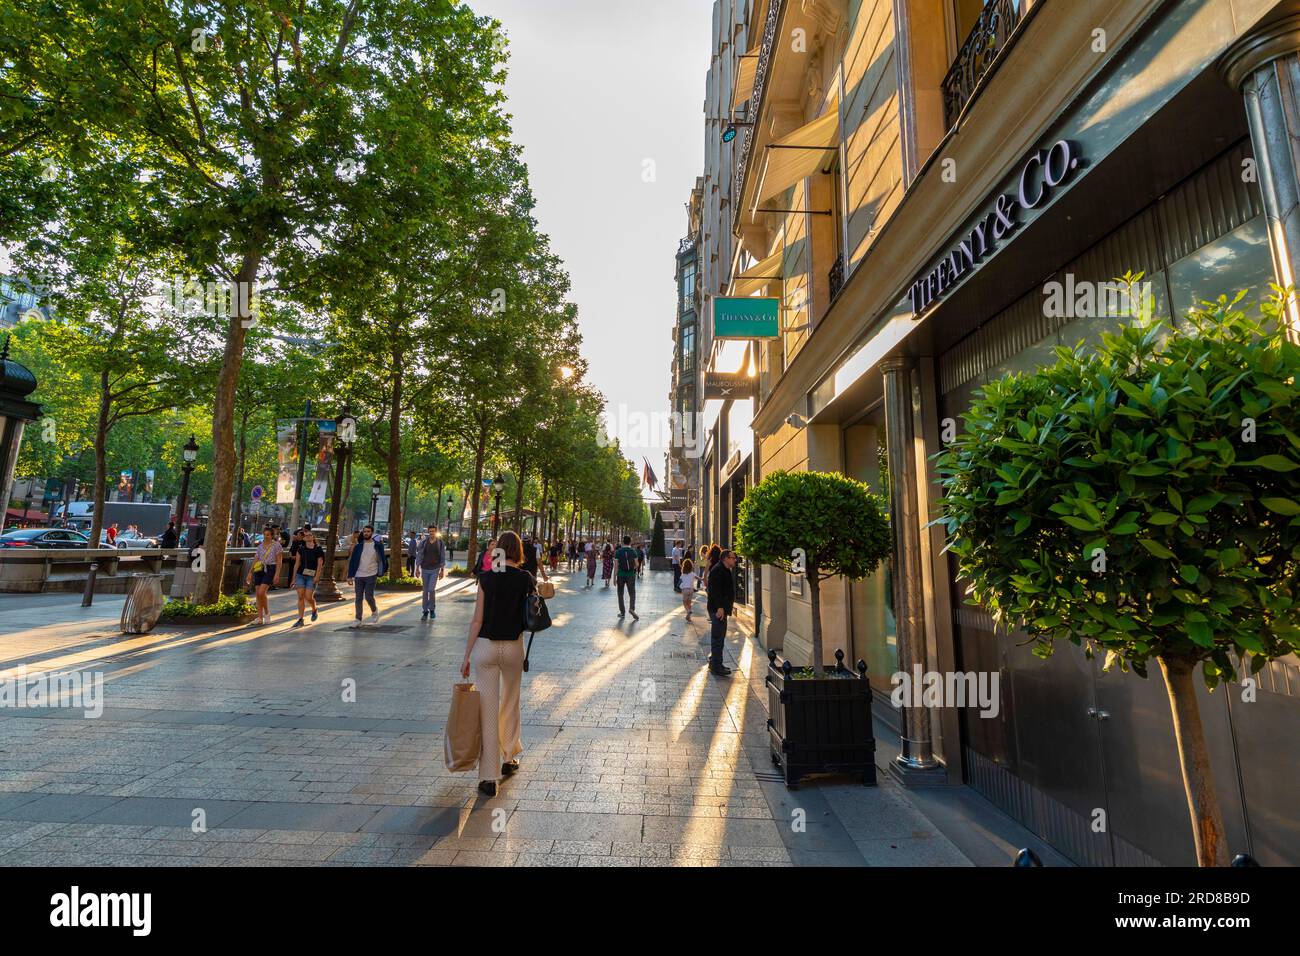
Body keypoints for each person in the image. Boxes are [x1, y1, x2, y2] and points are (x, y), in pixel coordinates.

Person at [460, 530, 535, 798]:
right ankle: (509, 755)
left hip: (485, 647)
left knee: (487, 709)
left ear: (497, 550)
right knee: (510, 702)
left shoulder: (486, 578)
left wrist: (467, 655)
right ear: (518, 551)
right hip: (513, 647)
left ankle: (488, 778)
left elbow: (477, 620)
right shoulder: (525, 578)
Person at [346, 525, 386, 628]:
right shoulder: (358, 547)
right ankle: (358, 619)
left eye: (368, 531)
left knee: (368, 596)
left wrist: (381, 571)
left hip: (371, 574)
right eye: (364, 532)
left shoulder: (377, 545)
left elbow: (383, 560)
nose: (366, 533)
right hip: (359, 575)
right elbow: (353, 561)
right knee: (358, 598)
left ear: (372, 533)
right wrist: (350, 575)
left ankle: (374, 610)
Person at [706, 549, 737, 676]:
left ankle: (714, 662)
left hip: (721, 609)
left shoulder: (725, 569)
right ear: (725, 558)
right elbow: (714, 590)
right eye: (732, 557)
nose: (735, 560)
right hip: (718, 609)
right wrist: (720, 607)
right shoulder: (718, 570)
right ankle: (717, 666)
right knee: (718, 638)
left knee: (719, 637)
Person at [245, 525, 284, 627]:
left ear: (272, 536)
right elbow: (256, 559)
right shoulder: (260, 546)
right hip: (259, 569)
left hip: (270, 569)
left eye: (268, 535)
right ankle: (259, 617)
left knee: (262, 592)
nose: (266, 536)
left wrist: (277, 574)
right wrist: (250, 572)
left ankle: (267, 612)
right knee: (258, 593)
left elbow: (279, 561)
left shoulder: (277, 546)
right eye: (264, 534)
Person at [291, 529, 325, 628]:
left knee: (308, 596)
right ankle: (300, 619)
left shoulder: (318, 549)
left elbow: (320, 564)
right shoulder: (301, 549)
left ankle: (314, 609)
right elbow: (297, 564)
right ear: (304, 538)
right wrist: (293, 578)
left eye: (310, 535)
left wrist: (317, 576)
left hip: (312, 576)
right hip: (300, 575)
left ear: (313, 537)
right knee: (301, 596)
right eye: (306, 536)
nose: (308, 537)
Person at [414, 524, 446, 621]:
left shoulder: (440, 543)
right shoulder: (424, 542)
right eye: (430, 531)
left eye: (433, 531)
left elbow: (442, 556)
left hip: (435, 569)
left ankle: (432, 609)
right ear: (428, 532)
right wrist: (417, 568)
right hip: (425, 569)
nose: (431, 533)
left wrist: (442, 570)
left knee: (431, 590)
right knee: (425, 591)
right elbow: (419, 555)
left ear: (436, 532)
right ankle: (425, 611)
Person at [614, 535, 641, 621]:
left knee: (620, 593)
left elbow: (616, 566)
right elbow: (637, 564)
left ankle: (622, 612)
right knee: (632, 593)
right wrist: (633, 570)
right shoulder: (633, 551)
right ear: (630, 542)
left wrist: (614, 578)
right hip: (630, 575)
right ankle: (631, 608)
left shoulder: (618, 552)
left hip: (620, 575)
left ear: (623, 541)